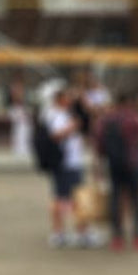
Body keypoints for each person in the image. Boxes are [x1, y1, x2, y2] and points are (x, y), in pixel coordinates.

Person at [93, 92, 138, 252]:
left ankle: (117, 236)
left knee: (115, 198)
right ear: (129, 103)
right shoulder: (135, 118)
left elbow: (98, 145)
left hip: (113, 164)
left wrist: (98, 167)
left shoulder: (105, 120)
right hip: (132, 163)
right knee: (136, 199)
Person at [44, 88, 93, 248]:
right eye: (67, 97)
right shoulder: (56, 116)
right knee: (69, 198)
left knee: (67, 197)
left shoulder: (66, 115)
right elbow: (55, 136)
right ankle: (73, 233)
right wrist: (72, 127)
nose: (71, 100)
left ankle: (69, 232)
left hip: (72, 162)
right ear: (59, 99)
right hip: (66, 163)